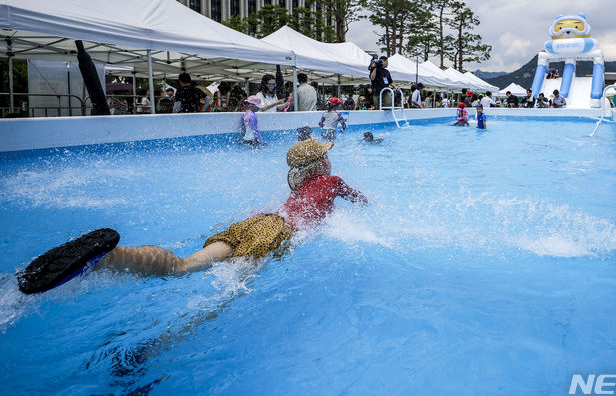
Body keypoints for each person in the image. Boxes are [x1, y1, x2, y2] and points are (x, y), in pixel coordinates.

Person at [24, 139, 368, 282]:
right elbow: (357, 198)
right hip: (277, 232)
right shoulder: (333, 180)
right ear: (322, 161)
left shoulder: (297, 190)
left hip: (257, 222)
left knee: (183, 265)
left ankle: (109, 257)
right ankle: (163, 344)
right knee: (230, 295)